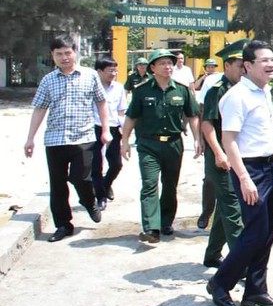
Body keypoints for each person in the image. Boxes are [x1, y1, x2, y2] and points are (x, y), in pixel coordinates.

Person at [206, 40, 273, 306]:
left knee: (266, 233)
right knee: (253, 234)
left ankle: (255, 291)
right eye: (264, 60)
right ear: (248, 65)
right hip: (250, 170)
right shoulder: (236, 96)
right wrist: (243, 177)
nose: (271, 64)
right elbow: (229, 141)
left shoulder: (264, 92)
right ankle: (220, 282)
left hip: (269, 168)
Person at [24, 34, 110, 242]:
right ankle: (63, 225)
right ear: (53, 56)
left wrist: (106, 130)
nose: (64, 57)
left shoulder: (89, 76)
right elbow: (39, 109)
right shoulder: (48, 80)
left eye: (67, 53)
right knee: (58, 185)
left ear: (75, 52)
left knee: (81, 178)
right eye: (59, 54)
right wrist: (30, 138)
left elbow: (101, 103)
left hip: (83, 138)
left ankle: (89, 202)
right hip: (55, 140)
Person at [120, 49, 201, 243]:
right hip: (149, 144)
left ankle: (166, 222)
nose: (168, 67)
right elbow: (131, 117)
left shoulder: (182, 90)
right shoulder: (142, 90)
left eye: (170, 63)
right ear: (153, 68)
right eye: (163, 63)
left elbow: (193, 115)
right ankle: (151, 227)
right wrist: (124, 141)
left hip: (173, 144)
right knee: (149, 184)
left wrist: (197, 138)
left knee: (170, 185)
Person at [201, 40, 249, 268]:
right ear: (227, 66)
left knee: (224, 208)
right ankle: (241, 264)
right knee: (233, 209)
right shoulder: (216, 91)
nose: (244, 70)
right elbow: (207, 125)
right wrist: (219, 153)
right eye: (240, 66)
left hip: (238, 156)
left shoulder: (244, 90)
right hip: (221, 159)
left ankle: (212, 254)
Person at [91, 56, 128, 211]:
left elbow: (121, 111)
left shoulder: (119, 88)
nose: (113, 73)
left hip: (113, 127)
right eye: (110, 70)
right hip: (94, 127)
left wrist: (124, 130)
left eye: (115, 70)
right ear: (99, 71)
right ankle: (100, 197)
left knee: (116, 163)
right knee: (95, 165)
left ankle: (106, 185)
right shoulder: (91, 87)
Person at [194, 58, 222, 228]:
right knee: (211, 179)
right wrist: (200, 138)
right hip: (215, 137)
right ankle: (207, 212)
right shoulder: (212, 82)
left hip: (240, 141)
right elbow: (202, 110)